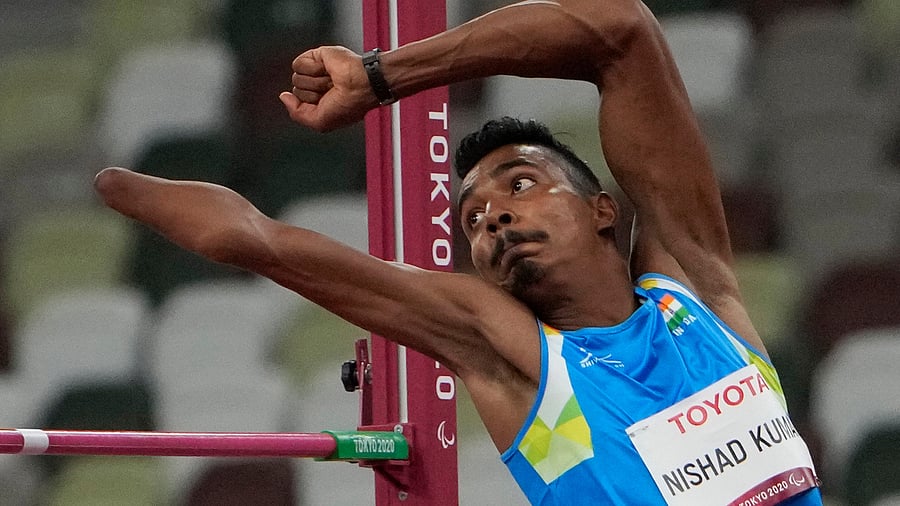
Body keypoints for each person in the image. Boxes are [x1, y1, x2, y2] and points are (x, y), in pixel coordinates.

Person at [94, 0, 823, 504]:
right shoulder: (512, 352)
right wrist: (110, 180)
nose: (495, 216)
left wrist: (381, 78)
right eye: (472, 219)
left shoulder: (697, 289)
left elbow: (621, 29)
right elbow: (249, 237)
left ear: (604, 210)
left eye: (522, 183)